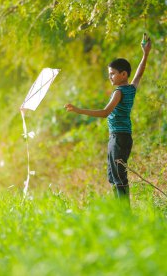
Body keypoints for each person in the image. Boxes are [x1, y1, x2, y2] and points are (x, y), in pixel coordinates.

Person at [64, 34, 152, 203]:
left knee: (118, 177)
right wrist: (145, 54)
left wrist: (78, 110)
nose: (110, 77)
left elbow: (105, 112)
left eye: (112, 74)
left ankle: (124, 214)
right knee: (114, 175)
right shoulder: (131, 89)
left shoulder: (119, 92)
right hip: (123, 137)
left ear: (124, 74)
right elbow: (139, 74)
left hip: (118, 137)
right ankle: (119, 211)